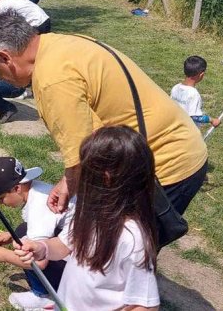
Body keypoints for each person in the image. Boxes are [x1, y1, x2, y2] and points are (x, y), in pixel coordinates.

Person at [0, 12, 207, 220]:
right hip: (179, 144)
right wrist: (68, 182)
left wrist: (70, 183)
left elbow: (83, 153)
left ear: (4, 57)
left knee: (122, 257)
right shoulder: (58, 43)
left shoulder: (52, 79)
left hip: (165, 165)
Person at [14, 126, 160, 310]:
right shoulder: (91, 213)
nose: (77, 174)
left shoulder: (132, 238)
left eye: (83, 168)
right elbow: (63, 245)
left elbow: (145, 306)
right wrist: (41, 248)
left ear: (105, 178)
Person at [0, 157, 74, 309]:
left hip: (77, 272)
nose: (1, 204)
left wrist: (5, 256)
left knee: (22, 243)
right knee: (20, 231)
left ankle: (46, 296)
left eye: (1, 198)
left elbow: (40, 263)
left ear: (17, 188)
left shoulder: (39, 206)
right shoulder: (38, 189)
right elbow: (42, 225)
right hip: (75, 249)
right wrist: (10, 234)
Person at [170, 56, 220, 128]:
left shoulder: (176, 87)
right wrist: (212, 120)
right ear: (201, 75)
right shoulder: (194, 94)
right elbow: (195, 117)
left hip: (173, 126)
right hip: (187, 132)